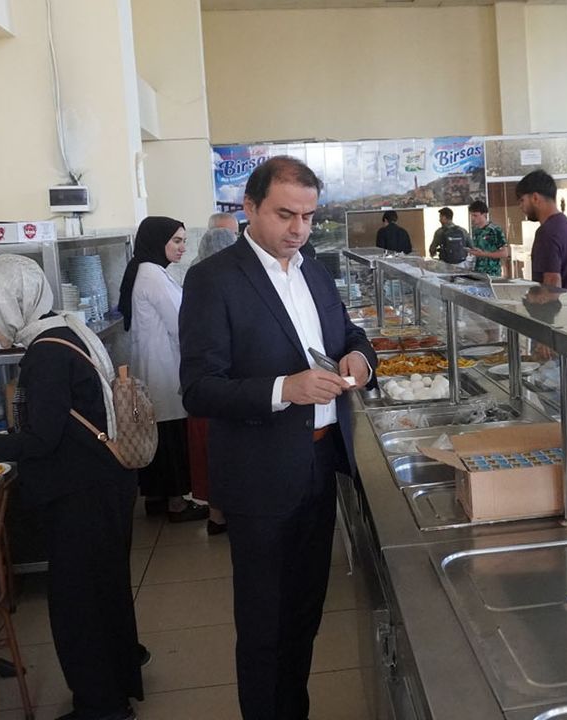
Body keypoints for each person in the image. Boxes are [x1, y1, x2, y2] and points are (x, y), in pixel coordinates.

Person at [179, 156, 377, 719]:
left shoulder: (313, 270)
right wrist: (284, 388)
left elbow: (350, 333)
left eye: (309, 217)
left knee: (305, 616)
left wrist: (360, 360)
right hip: (260, 476)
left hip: (320, 465)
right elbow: (199, 389)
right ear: (249, 208)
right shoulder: (214, 279)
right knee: (265, 626)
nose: (298, 229)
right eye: (285, 214)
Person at [0, 255, 142, 720]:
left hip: (81, 493)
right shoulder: (67, 330)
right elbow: (56, 424)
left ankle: (101, 707)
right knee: (105, 591)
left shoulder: (46, 353)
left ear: (10, 306)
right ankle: (118, 684)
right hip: (105, 481)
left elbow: (42, 439)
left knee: (77, 606)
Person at [117, 217, 209, 523]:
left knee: (158, 433)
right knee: (169, 436)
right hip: (164, 368)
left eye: (184, 241)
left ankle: (157, 498)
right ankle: (176, 504)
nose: (183, 247)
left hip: (155, 365)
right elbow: (180, 324)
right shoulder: (153, 275)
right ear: (159, 242)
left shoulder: (148, 270)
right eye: (177, 241)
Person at [187, 224, 240, 536]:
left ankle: (216, 514)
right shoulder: (208, 279)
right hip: (217, 390)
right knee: (219, 456)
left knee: (211, 457)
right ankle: (222, 514)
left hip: (209, 390)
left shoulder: (198, 273)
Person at [516, 169, 567, 291]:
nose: (520, 206)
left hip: (560, 303)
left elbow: (552, 283)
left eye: (522, 200)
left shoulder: (547, 232)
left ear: (535, 198)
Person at [467, 199, 508, 277]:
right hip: (478, 273)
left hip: (492, 273)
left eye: (475, 215)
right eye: (471, 215)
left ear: (484, 214)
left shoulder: (495, 230)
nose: (472, 218)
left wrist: (483, 254)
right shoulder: (476, 231)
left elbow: (504, 253)